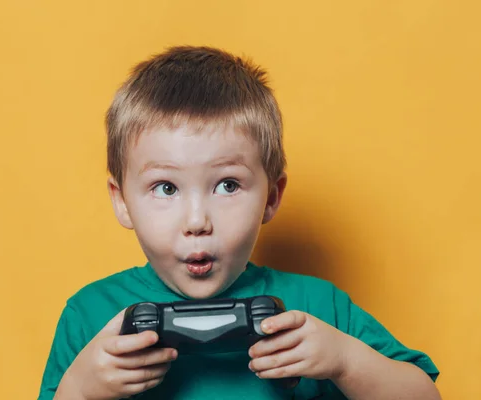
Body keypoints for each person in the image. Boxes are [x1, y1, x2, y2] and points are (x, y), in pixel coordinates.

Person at [38, 46, 441, 400]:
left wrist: (345, 361)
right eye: (165, 188)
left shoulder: (321, 308)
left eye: (227, 185)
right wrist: (80, 390)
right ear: (122, 201)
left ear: (271, 196)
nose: (197, 221)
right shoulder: (90, 315)